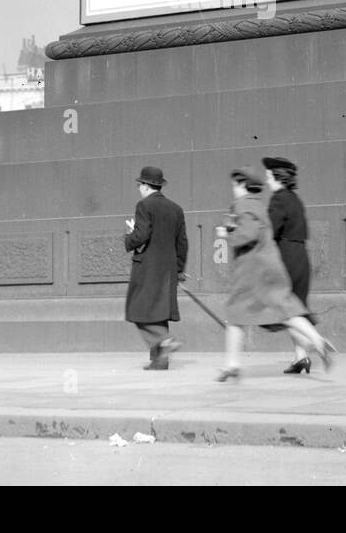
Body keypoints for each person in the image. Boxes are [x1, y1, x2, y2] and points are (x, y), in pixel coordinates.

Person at [215, 168, 335, 382]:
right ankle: (318, 341)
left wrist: (227, 234)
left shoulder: (241, 205)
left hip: (252, 269)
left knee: (235, 315)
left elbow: (248, 234)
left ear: (242, 186)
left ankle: (232, 364)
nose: (233, 189)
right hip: (272, 266)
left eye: (235, 185)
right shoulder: (260, 205)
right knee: (286, 310)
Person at [262, 156, 325, 374]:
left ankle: (315, 342)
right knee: (295, 306)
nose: (266, 178)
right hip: (300, 256)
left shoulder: (278, 199)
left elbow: (270, 229)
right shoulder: (294, 199)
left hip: (285, 257)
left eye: (269, 175)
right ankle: (301, 358)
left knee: (285, 309)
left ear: (277, 177)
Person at [123, 165, 188, 370]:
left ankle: (166, 340)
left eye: (139, 185)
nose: (139, 189)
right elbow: (182, 242)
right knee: (158, 311)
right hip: (168, 268)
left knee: (136, 308)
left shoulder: (144, 205)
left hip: (148, 267)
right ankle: (160, 360)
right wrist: (178, 270)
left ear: (145, 186)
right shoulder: (176, 209)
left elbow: (141, 236)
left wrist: (129, 236)